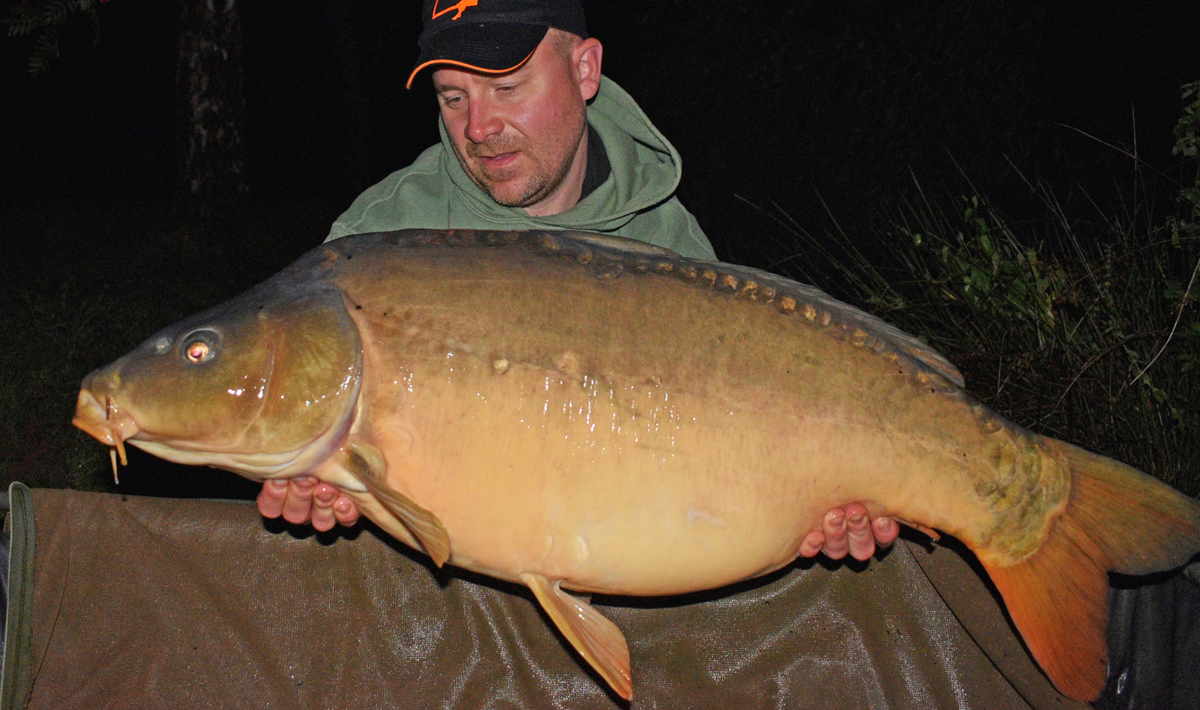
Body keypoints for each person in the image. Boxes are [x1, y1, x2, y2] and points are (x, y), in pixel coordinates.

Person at [257, 0, 898, 561]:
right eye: (454, 98)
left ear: (584, 69)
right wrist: (314, 476)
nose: (478, 128)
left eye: (506, 87)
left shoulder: (666, 243)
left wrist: (818, 503)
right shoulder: (379, 239)